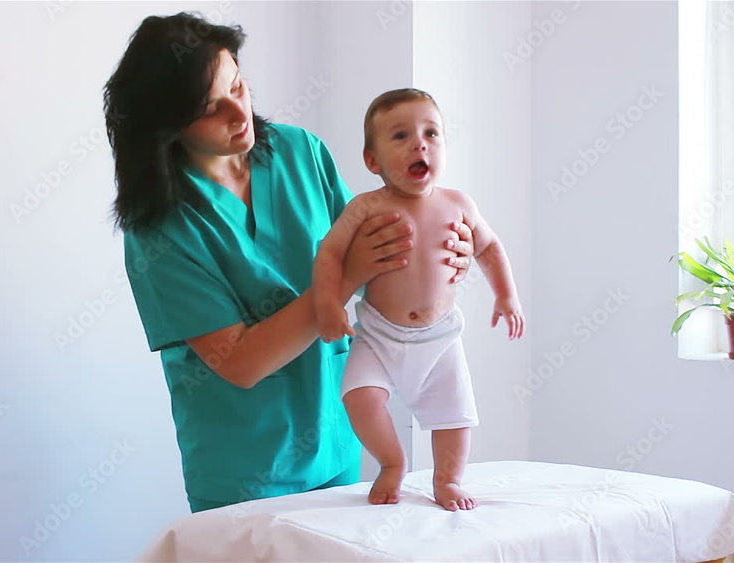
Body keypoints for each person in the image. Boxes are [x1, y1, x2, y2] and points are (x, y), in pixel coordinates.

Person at [102, 13, 477, 513]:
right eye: (211, 108)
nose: (239, 113)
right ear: (167, 127)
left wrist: (449, 250)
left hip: (336, 441)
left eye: (238, 85)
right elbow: (240, 360)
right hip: (246, 467)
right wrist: (345, 278)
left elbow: (384, 261)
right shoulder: (160, 227)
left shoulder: (301, 152)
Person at [314, 89, 525, 511]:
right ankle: (392, 462)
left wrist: (506, 296)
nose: (420, 143)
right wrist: (328, 305)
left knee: (456, 415)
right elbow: (330, 253)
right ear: (372, 161)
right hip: (378, 334)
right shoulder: (365, 207)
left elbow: (490, 247)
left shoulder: (458, 203)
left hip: (440, 337)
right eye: (400, 136)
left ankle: (447, 480)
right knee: (359, 397)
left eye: (432, 133)